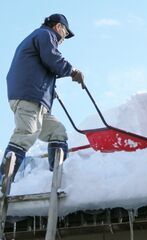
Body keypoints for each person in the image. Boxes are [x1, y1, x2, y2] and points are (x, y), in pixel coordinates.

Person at [0, 13, 84, 186]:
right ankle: (3, 182)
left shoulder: (37, 37)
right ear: (59, 27)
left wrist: (50, 89)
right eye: (65, 34)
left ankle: (56, 177)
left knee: (57, 132)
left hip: (35, 98)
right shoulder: (46, 35)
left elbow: (42, 66)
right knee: (26, 133)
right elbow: (52, 58)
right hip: (29, 96)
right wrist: (73, 71)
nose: (63, 39)